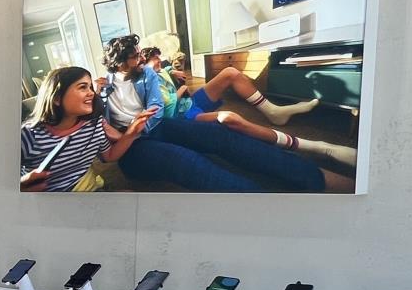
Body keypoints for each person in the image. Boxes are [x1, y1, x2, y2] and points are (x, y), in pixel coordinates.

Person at [98, 36, 355, 191]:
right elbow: (105, 147)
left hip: (157, 125)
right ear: (119, 61)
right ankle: (272, 210)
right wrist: (123, 130)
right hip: (134, 144)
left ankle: (316, 173)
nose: (143, 60)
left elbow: (156, 110)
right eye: (137, 57)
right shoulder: (101, 91)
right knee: (190, 161)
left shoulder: (148, 74)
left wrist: (171, 82)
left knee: (222, 135)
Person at [20, 66, 153, 191]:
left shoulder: (94, 124)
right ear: (57, 98)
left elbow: (109, 156)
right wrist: (20, 185)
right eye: (83, 87)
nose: (91, 93)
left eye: (90, 87)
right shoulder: (28, 134)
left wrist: (131, 133)